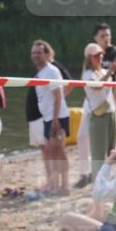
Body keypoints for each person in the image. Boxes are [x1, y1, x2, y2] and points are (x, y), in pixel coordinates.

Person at [81, 43, 116, 196]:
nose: (99, 57)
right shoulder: (87, 74)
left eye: (100, 54)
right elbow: (97, 87)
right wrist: (111, 71)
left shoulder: (105, 71)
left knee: (112, 151)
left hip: (110, 113)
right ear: (88, 58)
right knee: (99, 154)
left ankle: (108, 184)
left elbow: (110, 95)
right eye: (95, 55)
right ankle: (98, 189)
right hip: (98, 116)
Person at [31, 40, 71, 195]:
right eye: (33, 53)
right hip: (47, 117)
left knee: (59, 150)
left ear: (46, 54)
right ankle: (55, 185)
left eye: (39, 52)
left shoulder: (51, 70)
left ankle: (65, 185)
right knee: (51, 151)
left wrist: (55, 119)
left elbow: (58, 97)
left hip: (58, 117)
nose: (36, 55)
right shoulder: (40, 73)